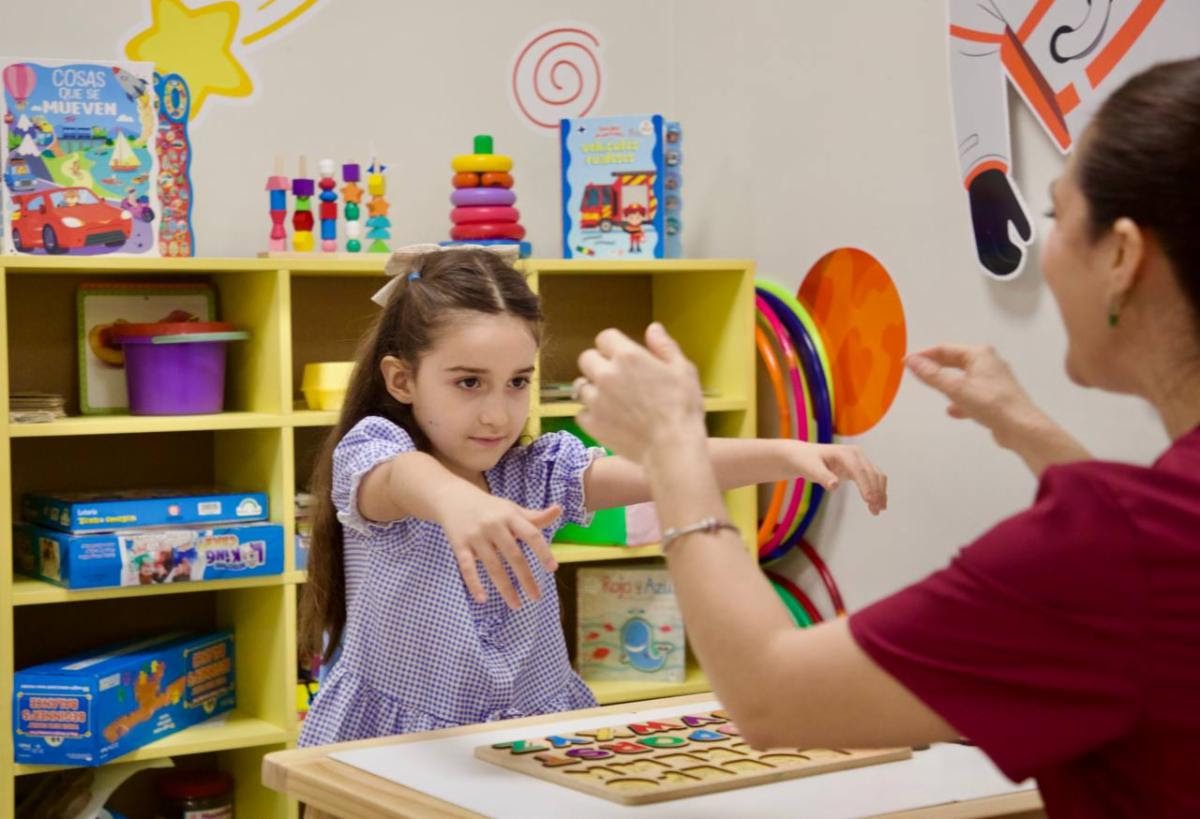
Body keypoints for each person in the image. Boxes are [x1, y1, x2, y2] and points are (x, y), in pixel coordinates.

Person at [574, 57, 1200, 816]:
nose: (1044, 246)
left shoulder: (1109, 547)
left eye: (1056, 214)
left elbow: (773, 696)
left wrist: (672, 446)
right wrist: (1025, 426)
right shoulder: (1143, 531)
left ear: (1125, 256)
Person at [297, 248, 888, 746]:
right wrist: (459, 504)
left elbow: (662, 466)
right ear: (402, 380)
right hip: (408, 746)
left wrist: (787, 454)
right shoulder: (376, 452)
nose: (498, 412)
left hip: (533, 733)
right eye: (468, 382)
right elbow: (403, 478)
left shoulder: (532, 472)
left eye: (518, 382)